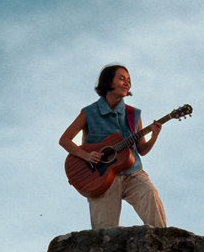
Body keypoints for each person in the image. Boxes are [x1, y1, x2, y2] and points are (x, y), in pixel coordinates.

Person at [59, 64, 168, 229]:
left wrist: (154, 136)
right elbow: (65, 140)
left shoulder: (133, 114)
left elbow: (142, 150)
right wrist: (86, 156)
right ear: (109, 81)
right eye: (122, 78)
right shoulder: (89, 112)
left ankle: (164, 247)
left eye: (129, 80)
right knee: (105, 231)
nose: (127, 84)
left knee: (151, 197)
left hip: (133, 173)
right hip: (100, 178)